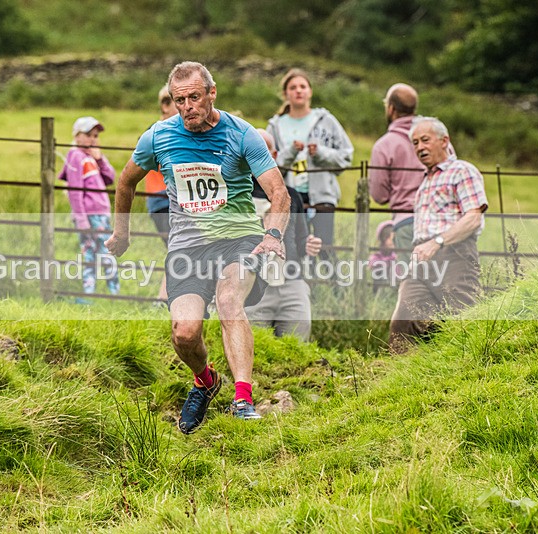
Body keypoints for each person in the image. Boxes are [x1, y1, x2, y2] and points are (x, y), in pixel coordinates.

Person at [106, 62, 291, 433]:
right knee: (185, 333)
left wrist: (272, 235)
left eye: (194, 97)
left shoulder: (243, 134)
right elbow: (125, 183)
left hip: (239, 239)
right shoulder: (157, 137)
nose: (187, 106)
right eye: (179, 100)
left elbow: (278, 193)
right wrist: (121, 234)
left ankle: (243, 398)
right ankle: (206, 381)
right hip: (187, 249)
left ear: (212, 93)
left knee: (228, 301)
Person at [389, 116, 488, 354]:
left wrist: (438, 242)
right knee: (404, 321)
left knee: (462, 319)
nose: (420, 147)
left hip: (454, 253)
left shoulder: (462, 171)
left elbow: (473, 217)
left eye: (425, 140)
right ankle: (401, 378)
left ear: (444, 141)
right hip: (422, 257)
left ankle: (472, 369)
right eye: (415, 143)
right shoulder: (426, 180)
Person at [266, 68, 353, 262]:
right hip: (289, 196)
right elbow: (268, 163)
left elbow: (346, 156)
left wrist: (321, 153)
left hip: (322, 195)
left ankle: (335, 289)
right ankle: (302, 288)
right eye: (293, 87)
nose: (298, 91)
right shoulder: (275, 125)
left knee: (324, 246)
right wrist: (290, 152)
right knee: (294, 246)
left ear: (310, 91)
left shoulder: (326, 121)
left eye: (303, 86)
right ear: (285, 93)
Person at [245, 128, 321, 341]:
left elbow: (301, 239)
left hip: (291, 283)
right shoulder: (235, 195)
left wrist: (309, 244)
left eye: (262, 150)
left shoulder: (292, 195)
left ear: (274, 155)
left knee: (297, 349)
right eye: (250, 150)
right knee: (254, 350)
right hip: (251, 286)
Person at [369, 83, 455, 253]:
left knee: (412, 277)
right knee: (443, 276)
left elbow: (379, 196)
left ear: (391, 109)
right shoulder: (439, 140)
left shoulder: (384, 145)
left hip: (407, 222)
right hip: (444, 221)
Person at [58, 116, 119, 299]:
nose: (93, 139)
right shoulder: (75, 156)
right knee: (91, 254)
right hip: (89, 215)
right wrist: (82, 219)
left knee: (105, 253)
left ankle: (113, 293)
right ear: (77, 136)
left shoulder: (92, 157)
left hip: (101, 214)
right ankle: (89, 293)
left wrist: (100, 160)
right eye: (88, 135)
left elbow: (110, 178)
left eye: (95, 135)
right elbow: (74, 192)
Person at [144, 84, 177, 301]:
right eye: (179, 101)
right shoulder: (159, 131)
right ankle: (163, 299)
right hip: (163, 199)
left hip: (166, 200)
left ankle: (166, 299)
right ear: (165, 105)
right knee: (178, 249)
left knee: (178, 249)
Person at [368, 220, 398, 294]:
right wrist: (387, 262)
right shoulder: (377, 255)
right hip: (381, 286)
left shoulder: (397, 254)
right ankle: (380, 295)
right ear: (383, 239)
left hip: (395, 285)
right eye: (389, 238)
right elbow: (372, 263)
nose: (392, 242)